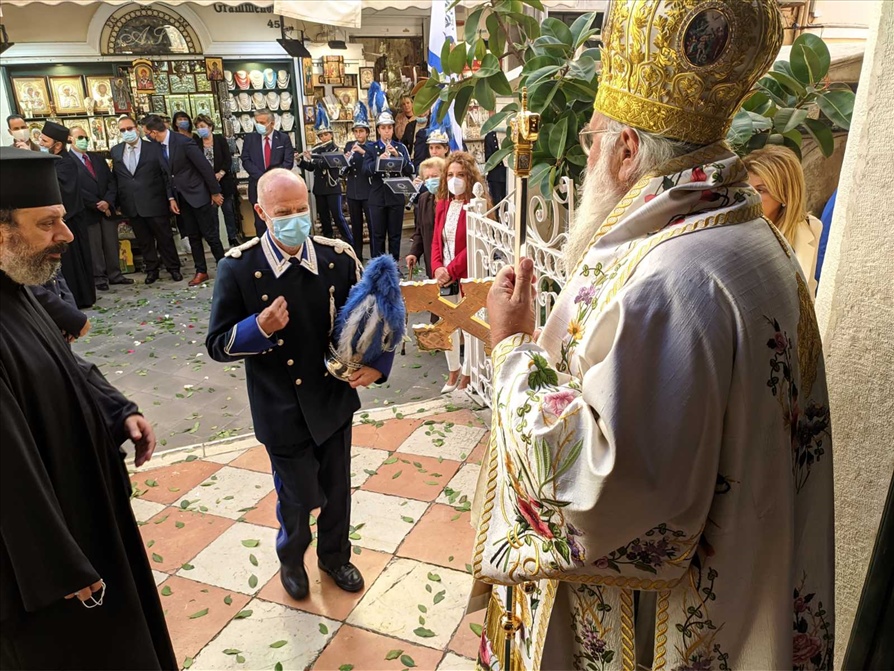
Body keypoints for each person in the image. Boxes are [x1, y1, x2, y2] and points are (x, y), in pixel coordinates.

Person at [474, 2, 833, 669]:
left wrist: (513, 348)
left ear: (629, 149)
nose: (587, 161)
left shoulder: (670, 276)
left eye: (592, 141)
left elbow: (597, 495)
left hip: (656, 629)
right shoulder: (751, 239)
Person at [0, 146, 177, 670]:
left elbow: (61, 366)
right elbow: (7, 472)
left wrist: (116, 408)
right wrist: (60, 566)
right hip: (48, 571)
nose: (67, 234)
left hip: (86, 519)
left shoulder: (16, 289)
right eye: (48, 223)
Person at [206, 168, 393, 602]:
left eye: (300, 209)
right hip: (280, 405)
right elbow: (217, 344)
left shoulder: (336, 257)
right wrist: (259, 327)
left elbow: (374, 317)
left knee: (336, 489)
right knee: (300, 495)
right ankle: (292, 557)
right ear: (260, 213)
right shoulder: (239, 268)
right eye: (283, 212)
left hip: (331, 396)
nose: (295, 219)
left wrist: (379, 366)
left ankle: (334, 556)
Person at [140, 114, 224, 287]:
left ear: (154, 132)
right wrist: (171, 197)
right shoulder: (157, 147)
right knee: (192, 235)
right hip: (181, 198)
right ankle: (201, 270)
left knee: (210, 234)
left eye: (147, 133)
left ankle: (224, 267)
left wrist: (215, 192)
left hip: (198, 194)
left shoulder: (183, 142)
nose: (146, 136)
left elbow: (204, 167)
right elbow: (166, 175)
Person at [431, 151, 488, 393]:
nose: (455, 180)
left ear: (470, 177)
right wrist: (437, 268)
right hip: (444, 275)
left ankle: (467, 372)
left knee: (469, 324)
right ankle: (453, 370)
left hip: (465, 274)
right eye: (451, 175)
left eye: (461, 175)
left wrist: (451, 270)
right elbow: (436, 239)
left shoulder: (476, 205)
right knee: (448, 324)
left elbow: (473, 245)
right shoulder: (443, 204)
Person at [110, 115, 182, 284]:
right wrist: (117, 202)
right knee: (144, 240)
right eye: (122, 130)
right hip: (132, 204)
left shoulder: (154, 148)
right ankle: (152, 269)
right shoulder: (116, 151)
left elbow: (165, 175)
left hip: (155, 201)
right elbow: (117, 178)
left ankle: (173, 268)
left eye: (129, 128)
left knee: (164, 237)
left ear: (137, 128)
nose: (126, 132)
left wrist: (170, 197)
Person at [744, 145, 823, 298]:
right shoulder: (730, 229)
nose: (748, 197)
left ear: (785, 196)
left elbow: (809, 292)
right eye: (745, 188)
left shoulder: (811, 227)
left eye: (760, 190)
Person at [38, 120, 95, 308]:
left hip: (71, 220)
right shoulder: (54, 161)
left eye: (45, 141)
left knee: (74, 262)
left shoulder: (66, 163)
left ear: (58, 144)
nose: (41, 144)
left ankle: (80, 297)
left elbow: (63, 192)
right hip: (61, 220)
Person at [69, 127, 133, 291]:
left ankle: (115, 274)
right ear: (71, 138)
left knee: (111, 242)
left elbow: (111, 181)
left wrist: (107, 200)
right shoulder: (68, 161)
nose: (84, 140)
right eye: (80, 137)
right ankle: (99, 277)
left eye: (86, 137)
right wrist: (97, 203)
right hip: (89, 210)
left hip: (107, 208)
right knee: (95, 245)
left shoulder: (97, 158)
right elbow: (75, 187)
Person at [298, 103, 353, 245]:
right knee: (324, 218)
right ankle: (327, 243)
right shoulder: (316, 148)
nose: (324, 138)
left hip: (332, 187)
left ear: (331, 134)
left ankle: (349, 241)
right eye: (321, 135)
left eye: (326, 134)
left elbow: (327, 163)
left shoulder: (336, 149)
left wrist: (313, 158)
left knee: (338, 217)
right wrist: (300, 162)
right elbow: (311, 167)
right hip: (320, 188)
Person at [363, 109, 414, 261]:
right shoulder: (371, 148)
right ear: (378, 130)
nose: (387, 132)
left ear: (393, 129)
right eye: (383, 128)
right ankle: (378, 268)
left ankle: (394, 267)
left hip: (395, 196)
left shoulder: (401, 147)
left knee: (395, 235)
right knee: (377, 236)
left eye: (389, 128)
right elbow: (365, 170)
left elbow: (410, 169)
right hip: (377, 197)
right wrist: (379, 160)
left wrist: (397, 157)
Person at [242, 108, 295, 238]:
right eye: (257, 122)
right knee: (260, 222)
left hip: (278, 187)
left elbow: (288, 162)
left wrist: (273, 178)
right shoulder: (250, 139)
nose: (259, 125)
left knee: (280, 219)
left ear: (272, 123)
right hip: (257, 185)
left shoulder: (283, 139)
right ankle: (263, 252)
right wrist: (263, 177)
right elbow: (245, 160)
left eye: (262, 122)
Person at [194, 114, 238, 247]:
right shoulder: (196, 143)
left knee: (228, 211)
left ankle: (232, 237)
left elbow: (227, 159)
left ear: (210, 126)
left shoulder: (220, 140)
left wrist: (221, 173)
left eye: (202, 126)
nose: (200, 129)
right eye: (197, 127)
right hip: (207, 184)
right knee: (212, 213)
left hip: (224, 180)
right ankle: (216, 239)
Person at [343, 102, 374, 261]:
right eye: (356, 131)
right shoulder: (349, 145)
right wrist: (345, 162)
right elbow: (346, 169)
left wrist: (362, 153)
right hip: (353, 192)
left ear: (367, 132)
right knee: (356, 226)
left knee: (372, 225)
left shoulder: (371, 147)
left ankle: (375, 255)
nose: (358, 134)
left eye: (361, 131)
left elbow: (371, 167)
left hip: (367, 191)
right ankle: (357, 255)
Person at [406, 156, 444, 280]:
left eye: (434, 176)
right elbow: (420, 232)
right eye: (426, 178)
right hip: (431, 262)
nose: (430, 180)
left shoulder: (452, 199)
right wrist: (414, 253)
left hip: (449, 261)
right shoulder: (424, 199)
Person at [484, 129, 507, 206]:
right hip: (495, 176)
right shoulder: (490, 137)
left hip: (508, 174)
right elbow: (488, 157)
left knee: (507, 201)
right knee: (495, 201)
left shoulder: (510, 134)